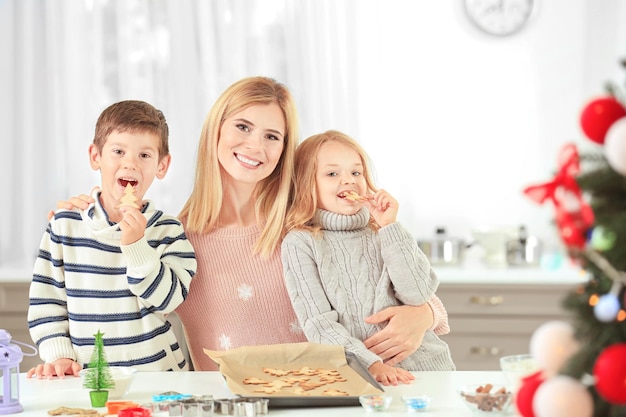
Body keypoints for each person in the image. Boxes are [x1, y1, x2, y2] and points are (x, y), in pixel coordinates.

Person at [51, 76, 440, 373]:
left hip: (321, 397)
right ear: (216, 129)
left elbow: (389, 285)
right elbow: (108, 296)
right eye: (242, 127)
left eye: (272, 136)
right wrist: (91, 214)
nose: (255, 146)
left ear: (284, 150)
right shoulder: (169, 235)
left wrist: (426, 315)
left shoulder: (306, 224)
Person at [27, 100, 197, 379]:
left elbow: (169, 301)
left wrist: (137, 247)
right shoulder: (64, 226)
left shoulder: (169, 230)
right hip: (89, 379)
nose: (130, 162)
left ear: (162, 165)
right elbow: (47, 301)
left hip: (158, 377)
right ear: (96, 156)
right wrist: (60, 356)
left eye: (144, 155)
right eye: (118, 151)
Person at [281, 130, 456, 386]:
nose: (348, 181)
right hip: (364, 377)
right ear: (306, 185)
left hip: (429, 371)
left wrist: (390, 227)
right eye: (332, 174)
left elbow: (418, 293)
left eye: (356, 172)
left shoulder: (385, 231)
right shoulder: (301, 243)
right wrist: (370, 364)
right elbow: (319, 324)